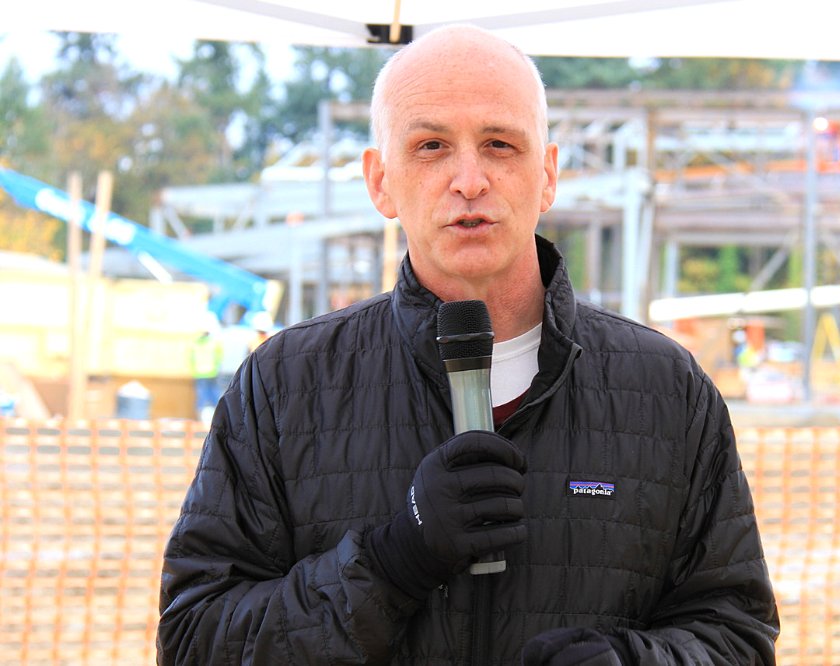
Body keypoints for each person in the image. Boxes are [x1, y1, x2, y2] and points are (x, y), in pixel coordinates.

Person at [157, 24, 779, 664]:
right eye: (430, 145)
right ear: (380, 182)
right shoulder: (286, 385)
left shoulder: (664, 390)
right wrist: (390, 563)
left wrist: (630, 663)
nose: (470, 179)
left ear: (547, 174)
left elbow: (737, 635)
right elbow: (192, 643)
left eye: (500, 144)